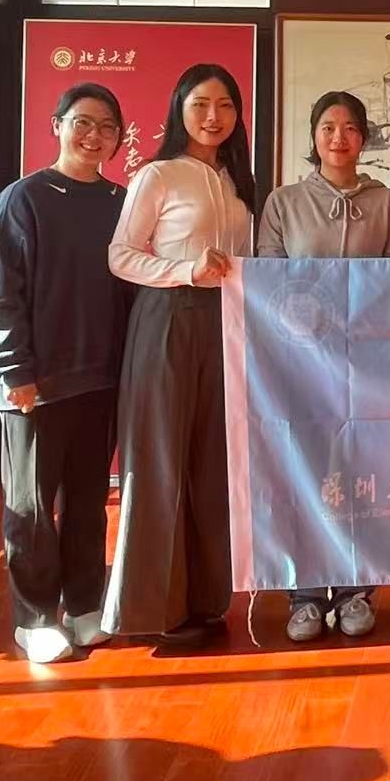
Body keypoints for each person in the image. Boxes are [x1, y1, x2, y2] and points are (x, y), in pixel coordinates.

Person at [0, 83, 132, 663]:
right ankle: (34, 617)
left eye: (107, 127)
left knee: (89, 502)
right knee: (32, 508)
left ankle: (84, 606)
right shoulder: (24, 199)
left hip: (100, 380)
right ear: (57, 125)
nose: (94, 136)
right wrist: (13, 370)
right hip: (34, 384)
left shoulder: (120, 202)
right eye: (82, 122)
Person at [103, 63, 255, 647]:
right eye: (200, 105)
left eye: (225, 105)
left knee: (214, 462)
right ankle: (151, 608)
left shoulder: (238, 182)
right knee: (160, 459)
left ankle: (206, 599)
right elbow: (121, 255)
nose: (213, 116)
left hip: (226, 325)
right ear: (179, 110)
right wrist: (185, 270)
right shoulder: (157, 174)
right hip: (167, 318)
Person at [260, 90, 390, 642]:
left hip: (365, 361)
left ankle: (355, 591)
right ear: (314, 135)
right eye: (328, 127)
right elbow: (270, 280)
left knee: (358, 473)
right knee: (303, 472)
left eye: (350, 128)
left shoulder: (386, 201)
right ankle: (304, 596)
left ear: (363, 137)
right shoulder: (284, 202)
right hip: (300, 361)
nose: (339, 137)